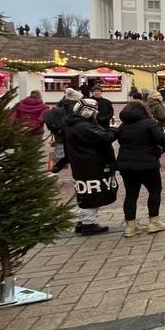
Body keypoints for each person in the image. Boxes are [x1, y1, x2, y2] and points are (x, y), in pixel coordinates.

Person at [116, 100, 165, 237]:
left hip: (126, 164)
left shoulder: (123, 126)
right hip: (147, 163)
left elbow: (120, 141)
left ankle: (130, 226)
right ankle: (154, 221)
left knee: (131, 194)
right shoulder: (149, 123)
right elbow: (163, 141)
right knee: (154, 191)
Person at [64, 98, 117, 235]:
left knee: (85, 193)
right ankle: (88, 224)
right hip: (91, 164)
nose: (96, 113)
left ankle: (83, 221)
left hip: (82, 164)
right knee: (93, 193)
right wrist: (114, 130)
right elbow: (104, 137)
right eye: (94, 111)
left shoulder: (74, 124)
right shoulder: (83, 127)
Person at [45, 88, 82, 174]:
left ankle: (55, 168)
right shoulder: (74, 106)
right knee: (71, 152)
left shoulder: (60, 103)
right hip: (69, 132)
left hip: (59, 132)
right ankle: (58, 168)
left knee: (60, 149)